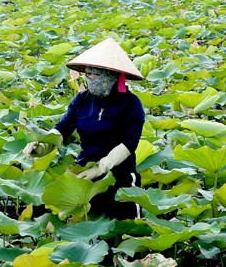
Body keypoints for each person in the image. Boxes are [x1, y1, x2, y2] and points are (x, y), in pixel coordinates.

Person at [25, 38, 144, 219]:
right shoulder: (82, 99)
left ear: (112, 75)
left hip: (120, 173)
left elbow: (129, 144)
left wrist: (101, 168)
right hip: (84, 169)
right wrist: (42, 146)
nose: (91, 78)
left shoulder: (131, 104)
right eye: (88, 73)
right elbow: (62, 128)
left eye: (97, 74)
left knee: (124, 221)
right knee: (47, 207)